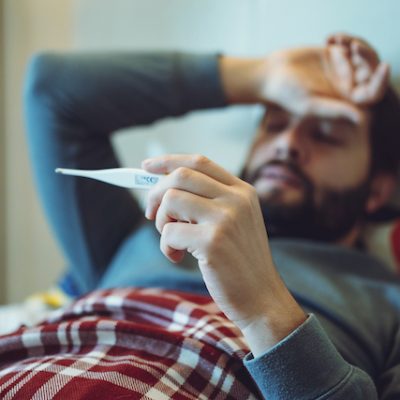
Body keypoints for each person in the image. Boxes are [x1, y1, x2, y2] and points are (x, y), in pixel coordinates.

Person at [1, 34, 399, 399]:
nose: (287, 144)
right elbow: (51, 89)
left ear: (378, 190)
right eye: (275, 123)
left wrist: (266, 311)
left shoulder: (389, 305)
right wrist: (261, 76)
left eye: (326, 134)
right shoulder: (143, 235)